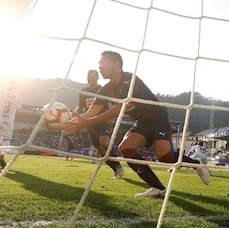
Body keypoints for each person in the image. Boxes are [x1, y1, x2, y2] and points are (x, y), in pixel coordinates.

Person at [64, 51, 210, 198]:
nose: (100, 67)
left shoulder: (129, 80)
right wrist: (69, 123)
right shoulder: (106, 89)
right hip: (142, 123)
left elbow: (116, 111)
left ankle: (195, 163)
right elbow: (90, 112)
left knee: (164, 156)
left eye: (103, 63)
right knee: (125, 148)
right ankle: (158, 188)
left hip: (158, 119)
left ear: (116, 64)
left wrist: (86, 123)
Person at [72, 69, 124, 179]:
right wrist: (76, 112)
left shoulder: (102, 89)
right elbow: (81, 107)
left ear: (97, 77)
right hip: (89, 123)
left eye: (92, 76)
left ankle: (118, 165)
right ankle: (116, 168)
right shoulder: (83, 91)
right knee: (100, 150)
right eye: (88, 75)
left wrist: (110, 116)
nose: (90, 77)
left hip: (101, 120)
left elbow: (113, 103)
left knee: (104, 141)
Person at [0, 81, 22, 169]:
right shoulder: (18, 96)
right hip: (9, 120)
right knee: (7, 140)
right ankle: (1, 155)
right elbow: (19, 107)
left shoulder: (1, 92)